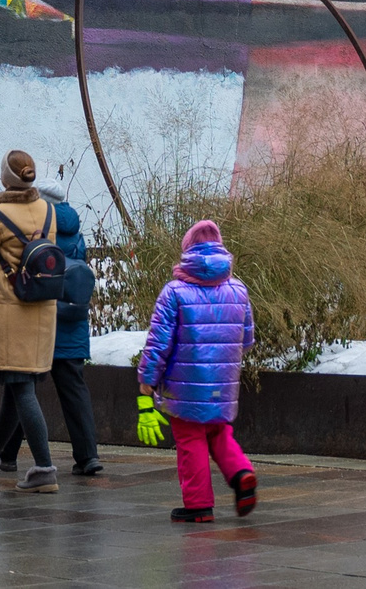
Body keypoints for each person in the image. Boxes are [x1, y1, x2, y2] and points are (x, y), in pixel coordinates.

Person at [135, 219, 258, 523]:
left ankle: (199, 505)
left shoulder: (174, 292)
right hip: (224, 381)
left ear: (187, 251)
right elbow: (247, 339)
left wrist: (146, 382)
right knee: (219, 431)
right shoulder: (238, 289)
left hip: (184, 385)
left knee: (191, 439)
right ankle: (242, 473)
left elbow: (158, 343)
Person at [0, 181, 100, 479]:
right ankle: (88, 455)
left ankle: (8, 455)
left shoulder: (41, 224)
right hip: (72, 323)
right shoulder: (75, 234)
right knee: (73, 391)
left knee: (22, 386)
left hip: (39, 316)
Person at [0, 150, 60, 491]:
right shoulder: (48, 211)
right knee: (18, 386)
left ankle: (45, 469)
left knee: (21, 388)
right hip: (41, 309)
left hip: (9, 312)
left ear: (6, 178)